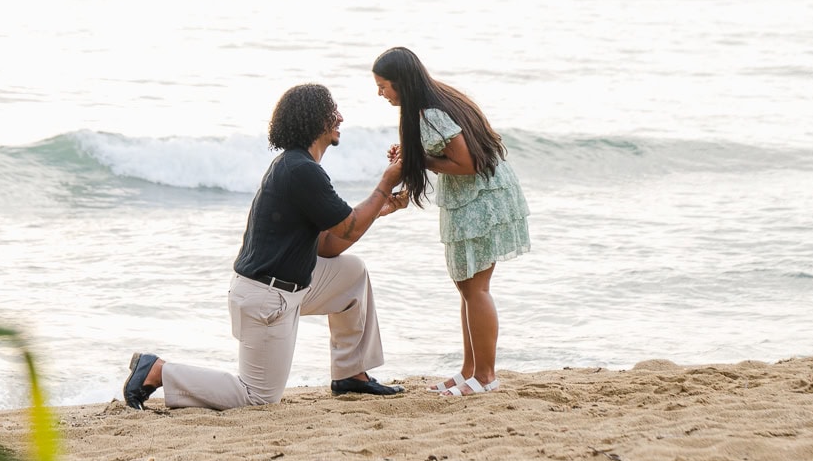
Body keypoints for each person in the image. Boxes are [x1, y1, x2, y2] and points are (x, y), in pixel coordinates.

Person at [123, 83, 410, 410]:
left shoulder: (299, 167)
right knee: (257, 397)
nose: (340, 117)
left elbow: (329, 245)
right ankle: (159, 371)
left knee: (351, 273)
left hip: (288, 288)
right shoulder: (301, 170)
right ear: (315, 120)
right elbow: (348, 225)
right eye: (333, 112)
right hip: (266, 300)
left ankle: (350, 375)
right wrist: (386, 181)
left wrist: (380, 205)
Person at [371, 46, 531, 396]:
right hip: (474, 195)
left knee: (477, 288)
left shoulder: (431, 112)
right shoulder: (436, 100)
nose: (379, 93)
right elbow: (452, 154)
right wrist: (416, 156)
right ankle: (469, 370)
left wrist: (420, 160)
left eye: (383, 85)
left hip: (481, 196)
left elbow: (468, 163)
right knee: (466, 286)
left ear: (401, 82)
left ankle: (486, 377)